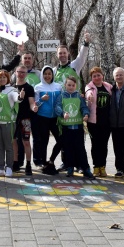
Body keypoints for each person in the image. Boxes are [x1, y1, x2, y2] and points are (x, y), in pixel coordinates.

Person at [54, 32, 91, 172]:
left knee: (78, 141)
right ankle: (67, 163)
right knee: (65, 139)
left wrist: (85, 43)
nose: (62, 55)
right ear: (57, 55)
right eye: (60, 53)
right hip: (62, 108)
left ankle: (80, 165)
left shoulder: (75, 66)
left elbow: (82, 56)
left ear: (68, 53)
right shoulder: (54, 70)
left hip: (76, 107)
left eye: (64, 53)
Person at [55, 76, 95, 179]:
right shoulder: (61, 96)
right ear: (65, 85)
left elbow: (83, 107)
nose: (71, 87)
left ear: (76, 86)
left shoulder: (79, 96)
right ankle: (70, 168)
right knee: (68, 149)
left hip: (78, 127)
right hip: (66, 128)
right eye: (69, 85)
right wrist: (62, 113)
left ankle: (85, 169)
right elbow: (57, 107)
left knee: (80, 149)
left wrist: (86, 114)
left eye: (73, 85)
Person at [11, 51, 41, 168]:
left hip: (25, 119)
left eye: (23, 72)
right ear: (16, 72)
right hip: (13, 119)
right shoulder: (11, 87)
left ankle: (28, 164)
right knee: (14, 142)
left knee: (26, 142)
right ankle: (15, 162)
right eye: (19, 72)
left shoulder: (29, 88)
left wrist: (34, 107)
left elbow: (31, 102)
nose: (21, 74)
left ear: (26, 74)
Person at [0, 70, 23, 177]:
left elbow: (17, 98)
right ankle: (0, 168)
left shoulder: (12, 90)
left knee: (8, 146)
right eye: (0, 77)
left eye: (4, 77)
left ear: (8, 79)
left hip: (7, 124)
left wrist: (20, 96)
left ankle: (9, 167)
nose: (2, 79)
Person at [34, 65, 62, 173]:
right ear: (42, 75)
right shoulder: (38, 87)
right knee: (43, 141)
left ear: (52, 75)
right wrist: (42, 99)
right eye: (45, 74)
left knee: (61, 140)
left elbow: (62, 100)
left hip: (55, 118)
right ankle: (43, 163)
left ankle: (51, 160)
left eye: (49, 74)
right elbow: (35, 104)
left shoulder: (58, 87)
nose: (47, 76)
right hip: (42, 118)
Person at [85, 67, 112, 177]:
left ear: (102, 76)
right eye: (94, 76)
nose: (97, 77)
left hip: (106, 122)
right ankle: (96, 167)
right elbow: (88, 93)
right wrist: (89, 96)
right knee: (95, 145)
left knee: (104, 145)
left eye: (98, 75)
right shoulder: (90, 87)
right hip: (93, 122)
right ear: (91, 78)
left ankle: (102, 167)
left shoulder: (108, 87)